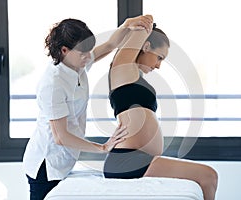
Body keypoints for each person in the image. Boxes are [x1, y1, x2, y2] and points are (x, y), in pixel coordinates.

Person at [22, 15, 153, 200]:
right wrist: (103, 147)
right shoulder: (53, 84)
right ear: (64, 50)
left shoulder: (76, 64)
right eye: (82, 53)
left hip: (64, 160)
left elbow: (109, 45)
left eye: (88, 51)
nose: (87, 57)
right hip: (45, 166)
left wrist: (127, 25)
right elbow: (60, 137)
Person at [103, 15, 218, 200]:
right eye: (159, 57)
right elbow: (141, 29)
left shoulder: (133, 77)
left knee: (208, 176)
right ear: (146, 46)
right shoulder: (122, 70)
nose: (158, 65)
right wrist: (142, 23)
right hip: (127, 160)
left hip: (137, 159)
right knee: (208, 175)